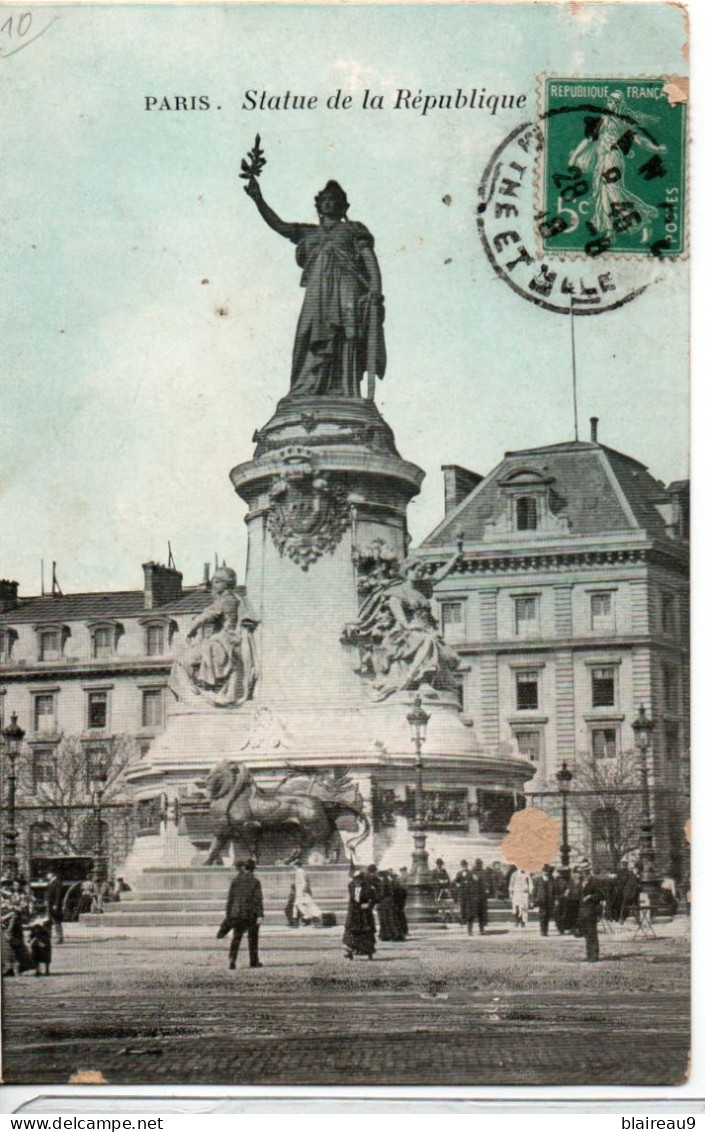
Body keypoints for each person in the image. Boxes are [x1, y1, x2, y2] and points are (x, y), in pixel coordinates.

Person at [245, 176, 386, 398]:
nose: (329, 202)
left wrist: (376, 290)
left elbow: (369, 259)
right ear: (318, 205)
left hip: (346, 288)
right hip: (317, 293)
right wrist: (258, 199)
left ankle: (344, 390)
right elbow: (280, 226)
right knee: (307, 333)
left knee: (346, 335)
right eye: (325, 199)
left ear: (344, 206)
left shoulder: (353, 230)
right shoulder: (309, 233)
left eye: (334, 199)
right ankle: (308, 388)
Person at [169, 566, 259, 707]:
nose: (213, 584)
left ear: (226, 584)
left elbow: (206, 616)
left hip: (221, 644)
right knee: (184, 661)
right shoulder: (235, 599)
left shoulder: (225, 600)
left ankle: (194, 694)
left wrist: (190, 630)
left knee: (182, 661)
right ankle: (195, 692)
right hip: (229, 642)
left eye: (217, 581)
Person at [224, 859, 264, 970]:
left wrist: (228, 915)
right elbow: (258, 900)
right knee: (253, 938)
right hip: (251, 914)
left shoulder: (235, 881)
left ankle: (232, 960)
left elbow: (230, 899)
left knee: (236, 938)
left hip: (237, 913)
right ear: (253, 870)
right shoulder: (255, 881)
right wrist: (260, 916)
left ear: (244, 868)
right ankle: (254, 961)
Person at [342, 866, 378, 959]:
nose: (357, 881)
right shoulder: (351, 885)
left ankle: (368, 951)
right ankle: (349, 950)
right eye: (355, 879)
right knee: (351, 931)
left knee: (366, 932)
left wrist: (368, 905)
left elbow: (374, 898)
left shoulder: (368, 887)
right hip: (354, 913)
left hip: (364, 914)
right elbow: (353, 898)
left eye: (358, 879)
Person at [575, 859, 601, 962]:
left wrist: (590, 896)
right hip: (582, 911)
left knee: (592, 932)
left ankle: (594, 955)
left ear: (589, 870)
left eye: (585, 870)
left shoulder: (594, 881)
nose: (583, 872)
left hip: (591, 910)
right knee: (586, 933)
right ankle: (589, 954)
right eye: (582, 871)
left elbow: (601, 895)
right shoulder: (581, 882)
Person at [292, 859, 323, 926]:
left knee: (306, 904)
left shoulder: (299, 871)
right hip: (301, 891)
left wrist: (302, 890)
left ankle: (311, 916)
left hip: (302, 891)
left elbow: (303, 882)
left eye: (294, 865)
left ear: (296, 865)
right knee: (298, 904)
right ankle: (306, 917)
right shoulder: (303, 871)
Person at [376, 871, 405, 942]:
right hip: (390, 902)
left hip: (385, 903)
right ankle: (395, 934)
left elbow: (382, 893)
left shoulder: (383, 881)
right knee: (392, 919)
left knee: (387, 919)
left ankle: (391, 935)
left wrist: (376, 898)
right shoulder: (389, 881)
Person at [533, 864, 556, 937]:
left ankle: (546, 930)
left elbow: (555, 891)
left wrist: (555, 899)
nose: (546, 873)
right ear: (542, 872)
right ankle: (542, 931)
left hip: (549, 900)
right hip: (541, 900)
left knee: (547, 915)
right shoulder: (538, 880)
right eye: (544, 871)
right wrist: (534, 899)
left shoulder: (552, 880)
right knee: (542, 916)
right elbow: (534, 890)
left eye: (547, 871)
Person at [44, 871, 64, 944]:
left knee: (56, 921)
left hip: (54, 905)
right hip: (50, 904)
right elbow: (47, 893)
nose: (47, 875)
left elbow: (58, 895)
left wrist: (56, 904)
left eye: (48, 874)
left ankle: (59, 937)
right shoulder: (50, 882)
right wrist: (46, 900)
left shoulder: (57, 882)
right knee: (49, 921)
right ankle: (48, 936)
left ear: (52, 874)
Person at [471, 859, 489, 934]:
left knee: (482, 914)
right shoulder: (472, 872)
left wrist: (487, 889)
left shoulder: (484, 872)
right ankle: (470, 929)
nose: (479, 865)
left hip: (482, 896)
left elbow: (487, 882)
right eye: (478, 864)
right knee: (472, 913)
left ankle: (481, 929)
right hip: (474, 896)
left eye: (480, 864)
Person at [391, 869, 409, 938]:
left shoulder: (396, 886)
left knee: (399, 917)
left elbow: (402, 894)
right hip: (400, 903)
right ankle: (403, 931)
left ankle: (401, 932)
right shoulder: (399, 885)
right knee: (401, 917)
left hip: (398, 903)